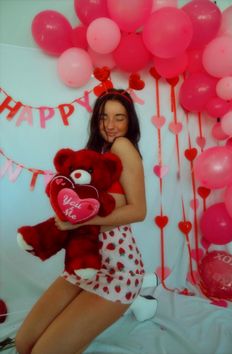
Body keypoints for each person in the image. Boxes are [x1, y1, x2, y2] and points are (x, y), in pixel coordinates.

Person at [15, 88, 147, 354]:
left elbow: (139, 211)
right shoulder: (95, 153)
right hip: (84, 262)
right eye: (103, 117)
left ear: (130, 121)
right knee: (23, 343)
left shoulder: (122, 146)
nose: (110, 125)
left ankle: (136, 300)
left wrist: (78, 222)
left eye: (119, 117)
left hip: (117, 270)